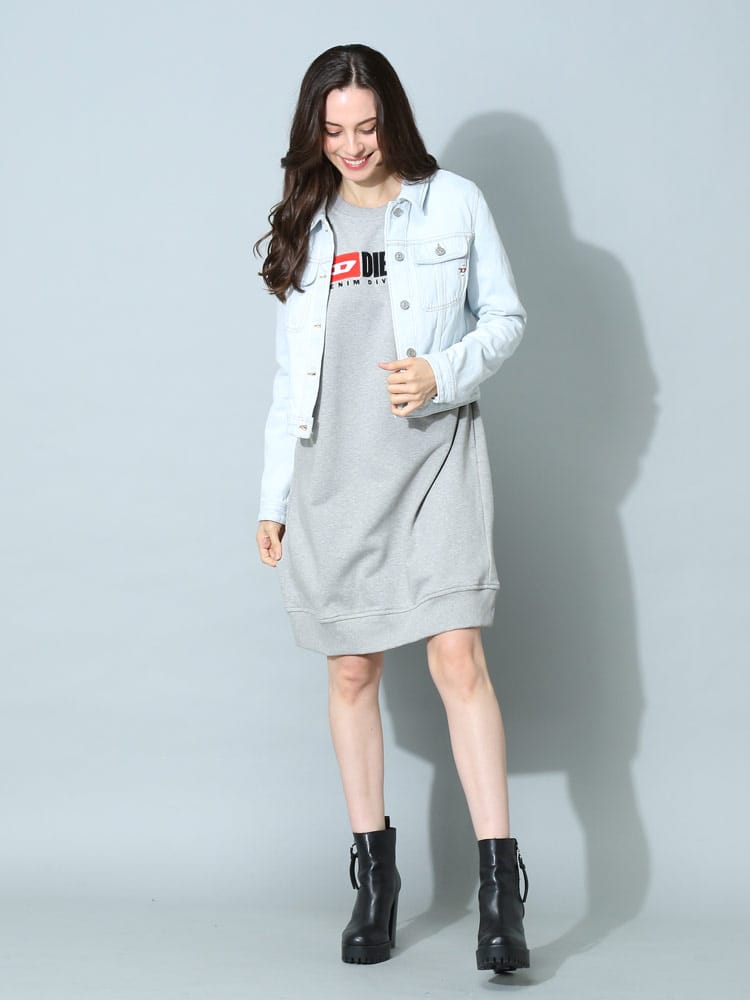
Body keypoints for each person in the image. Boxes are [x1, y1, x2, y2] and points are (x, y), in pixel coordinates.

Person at [254, 43, 530, 974]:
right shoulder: (307, 224)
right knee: (351, 671)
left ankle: (500, 895)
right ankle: (375, 882)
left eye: (367, 127)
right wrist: (273, 498)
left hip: (436, 458)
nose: (352, 146)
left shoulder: (453, 202)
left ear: (393, 120)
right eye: (334, 131)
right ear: (315, 132)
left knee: (458, 656)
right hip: (333, 473)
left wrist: (441, 372)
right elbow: (290, 378)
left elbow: (506, 317)